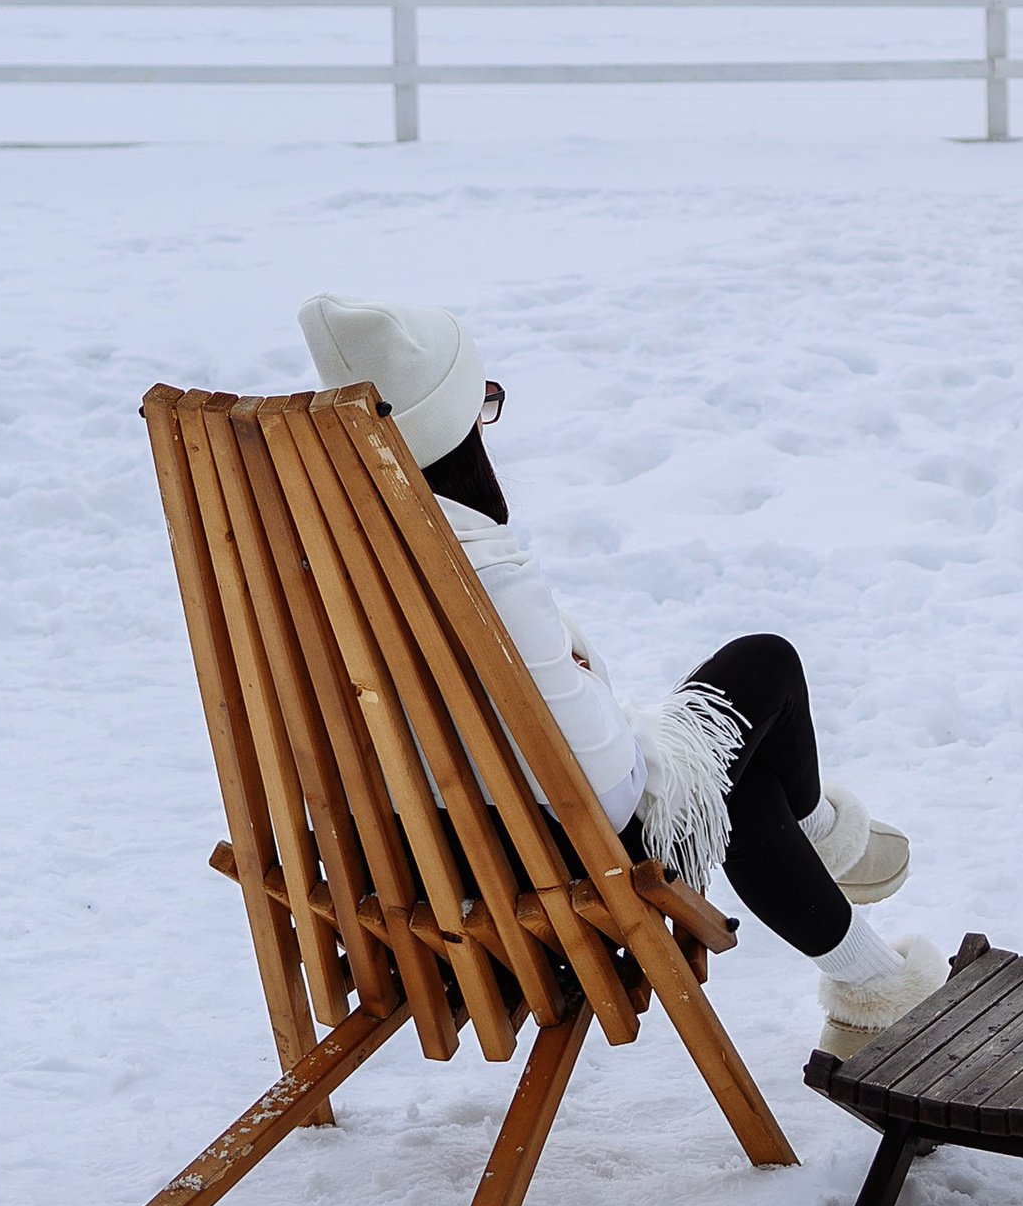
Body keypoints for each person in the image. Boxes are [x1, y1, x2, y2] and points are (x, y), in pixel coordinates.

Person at [299, 292, 945, 1059]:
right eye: (483, 404)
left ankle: (862, 961)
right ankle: (827, 854)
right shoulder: (481, 576)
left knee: (737, 766)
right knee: (761, 675)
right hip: (542, 871)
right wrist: (626, 717)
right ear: (451, 430)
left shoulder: (311, 568)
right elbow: (605, 788)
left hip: (403, 860)